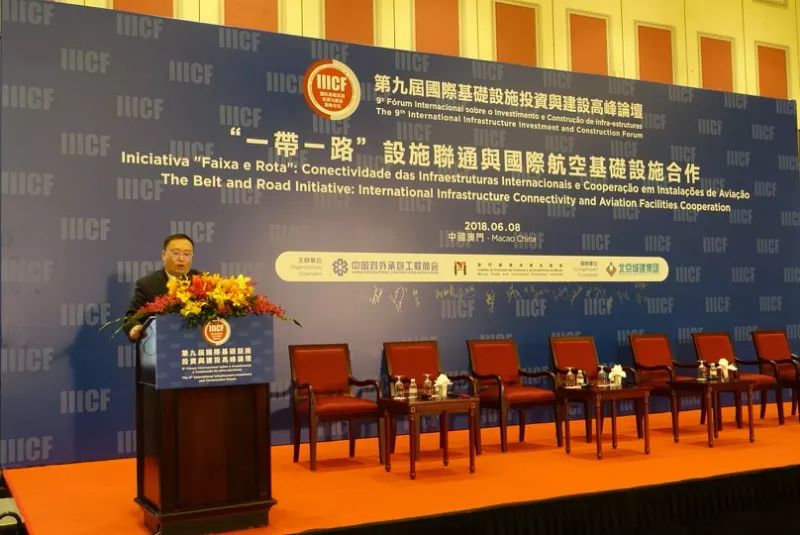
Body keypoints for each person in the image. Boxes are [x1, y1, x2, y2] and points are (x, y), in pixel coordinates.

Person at [125, 233, 200, 341]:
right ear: (163, 255)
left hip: (196, 344)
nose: (181, 258)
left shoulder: (202, 281)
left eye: (187, 254)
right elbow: (131, 318)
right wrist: (135, 328)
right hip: (162, 344)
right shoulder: (147, 284)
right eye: (176, 253)